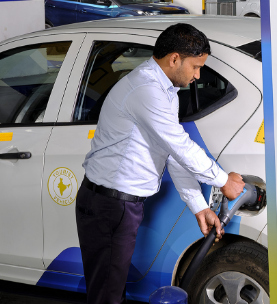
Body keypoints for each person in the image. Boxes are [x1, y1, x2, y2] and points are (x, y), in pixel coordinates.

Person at [76, 23, 245, 304]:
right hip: (109, 206)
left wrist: (199, 206)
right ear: (174, 59)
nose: (198, 75)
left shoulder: (165, 91)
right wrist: (223, 181)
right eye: (195, 67)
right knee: (107, 295)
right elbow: (179, 145)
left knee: (111, 289)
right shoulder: (146, 89)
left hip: (120, 205)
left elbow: (172, 152)